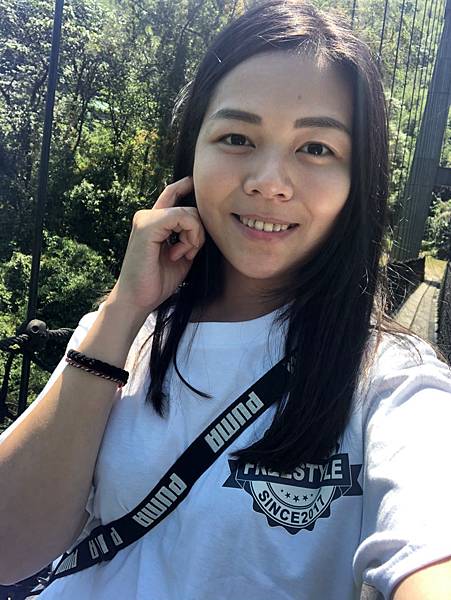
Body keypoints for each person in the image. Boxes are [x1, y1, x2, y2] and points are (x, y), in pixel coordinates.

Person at [0, 1, 450, 598]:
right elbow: (8, 547)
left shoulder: (393, 383)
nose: (268, 181)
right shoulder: (127, 332)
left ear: (357, 180)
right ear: (194, 153)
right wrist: (122, 311)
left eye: (317, 148)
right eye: (236, 137)